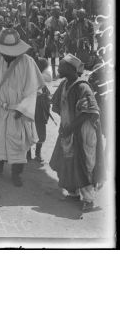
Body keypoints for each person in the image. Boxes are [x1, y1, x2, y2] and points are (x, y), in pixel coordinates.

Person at [0, 28, 44, 187]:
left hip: (17, 111)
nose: (7, 54)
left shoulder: (27, 62)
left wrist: (22, 110)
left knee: (18, 144)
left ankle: (16, 174)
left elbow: (32, 91)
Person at [49, 54, 105, 212]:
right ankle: (73, 193)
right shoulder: (65, 84)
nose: (58, 69)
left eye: (61, 66)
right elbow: (59, 105)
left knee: (84, 163)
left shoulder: (82, 87)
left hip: (83, 131)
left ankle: (89, 200)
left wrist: (70, 127)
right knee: (68, 160)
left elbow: (89, 112)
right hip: (69, 129)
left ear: (70, 69)